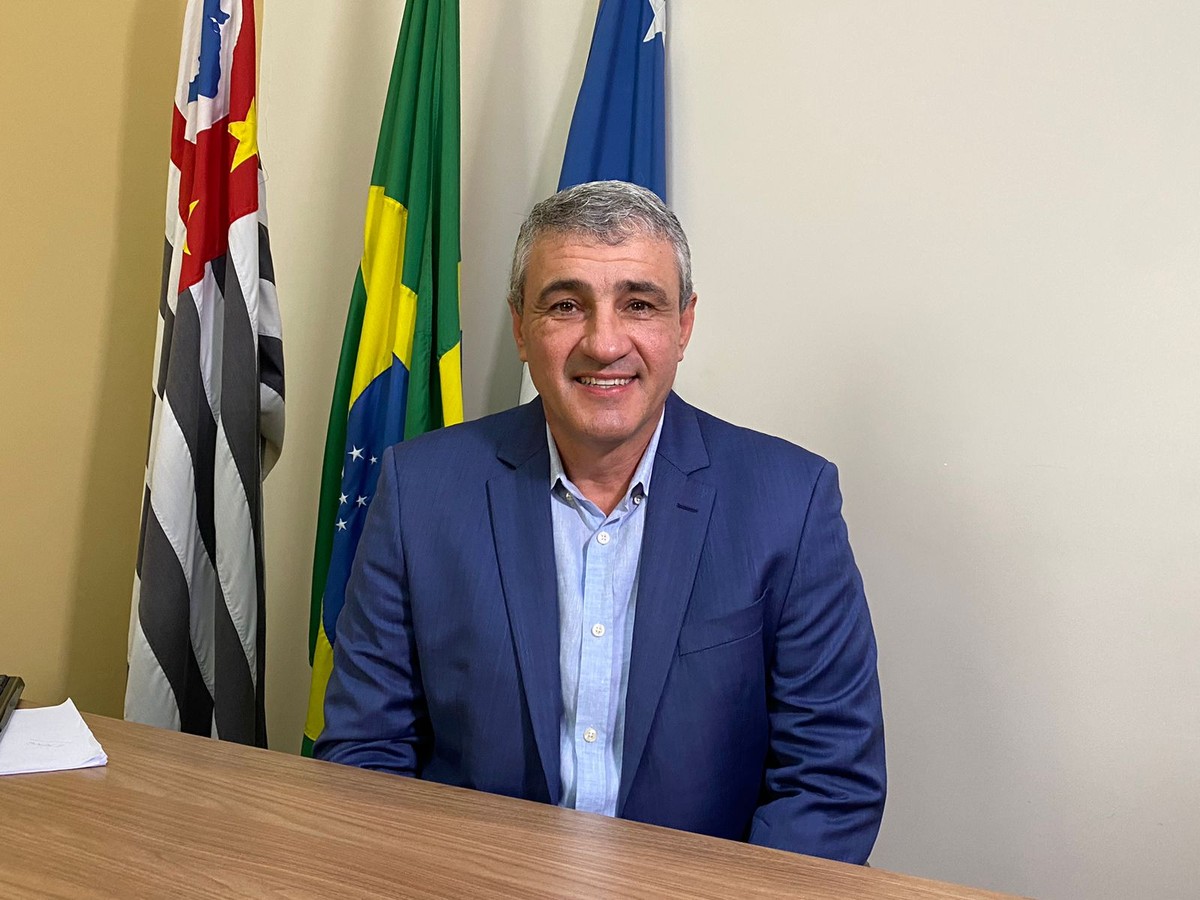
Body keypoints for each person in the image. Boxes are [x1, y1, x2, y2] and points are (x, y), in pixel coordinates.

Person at [315, 180, 886, 864]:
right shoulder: (422, 490)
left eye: (639, 304)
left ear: (684, 326)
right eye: (566, 305)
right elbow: (366, 754)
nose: (604, 342)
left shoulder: (790, 502)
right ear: (521, 328)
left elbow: (829, 784)